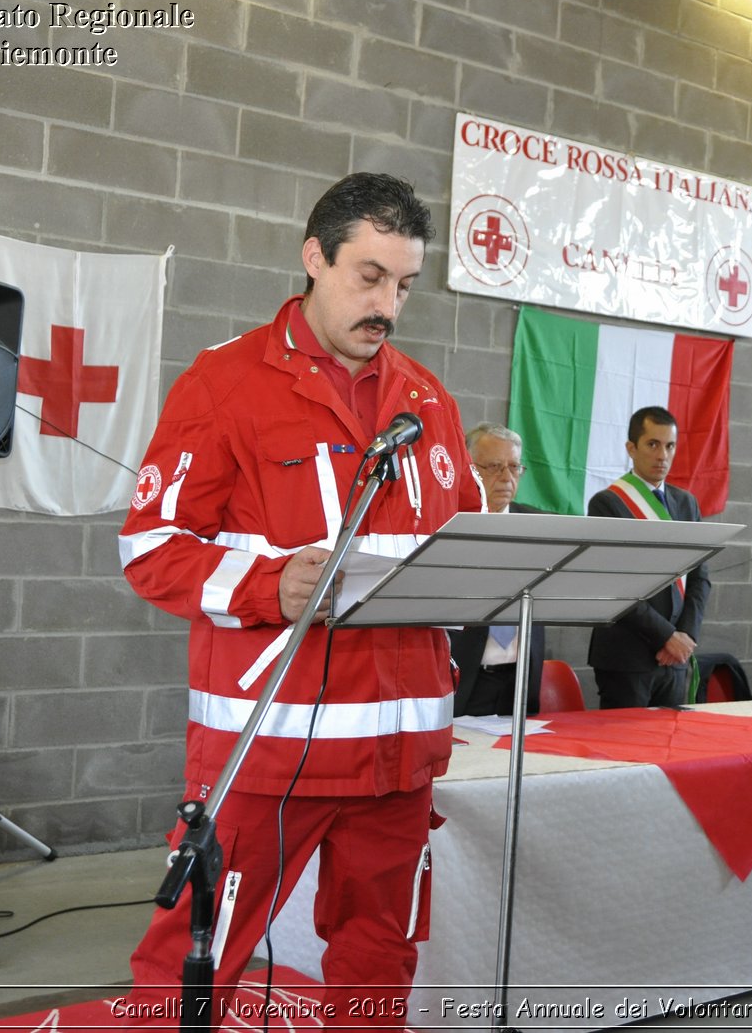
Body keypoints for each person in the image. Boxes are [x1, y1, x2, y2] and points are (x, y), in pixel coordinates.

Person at [115, 173, 482, 1027]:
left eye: (404, 284)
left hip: (400, 755)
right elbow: (150, 550)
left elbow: (455, 551)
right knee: (191, 959)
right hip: (269, 751)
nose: (387, 303)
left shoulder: (429, 401)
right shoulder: (226, 384)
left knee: (379, 958)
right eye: (368, 276)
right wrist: (266, 585)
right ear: (313, 257)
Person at [586, 406, 712, 708]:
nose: (662, 455)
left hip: (676, 657)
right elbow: (616, 586)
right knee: (626, 751)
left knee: (668, 748)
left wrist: (685, 636)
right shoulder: (608, 503)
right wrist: (666, 637)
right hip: (626, 657)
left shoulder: (686, 503)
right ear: (632, 448)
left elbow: (699, 578)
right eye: (652, 445)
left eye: (669, 446)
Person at [448, 423, 544, 716]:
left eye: (514, 467)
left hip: (520, 678)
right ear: (469, 467)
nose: (506, 477)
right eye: (494, 466)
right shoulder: (449, 522)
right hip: (464, 673)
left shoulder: (540, 526)